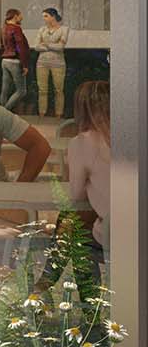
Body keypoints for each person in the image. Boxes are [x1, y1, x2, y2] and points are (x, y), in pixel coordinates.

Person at [65, 79, 111, 254]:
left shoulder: (81, 143)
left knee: (73, 230)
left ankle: (49, 277)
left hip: (117, 234)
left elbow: (76, 195)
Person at [36, 7, 69, 118]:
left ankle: (58, 114)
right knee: (42, 90)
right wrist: (50, 46)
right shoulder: (42, 29)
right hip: (41, 63)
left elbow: (60, 47)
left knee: (59, 90)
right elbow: (37, 46)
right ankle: (42, 113)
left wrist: (46, 45)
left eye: (46, 16)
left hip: (58, 63)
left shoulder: (64, 29)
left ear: (53, 16)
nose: (44, 19)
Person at [0, 8, 31, 111]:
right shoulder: (16, 29)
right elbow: (20, 47)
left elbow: (2, 46)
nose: (22, 17)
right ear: (15, 16)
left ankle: (1, 112)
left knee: (5, 89)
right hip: (14, 61)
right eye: (20, 15)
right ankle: (5, 112)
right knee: (21, 91)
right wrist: (25, 64)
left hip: (4, 61)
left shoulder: (3, 28)